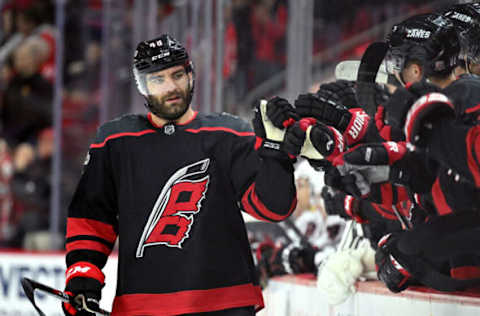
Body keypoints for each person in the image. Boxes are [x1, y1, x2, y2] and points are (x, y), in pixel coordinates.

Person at [62, 34, 297, 316]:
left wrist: (276, 155)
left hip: (224, 304)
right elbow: (91, 219)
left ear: (190, 75)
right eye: (158, 80)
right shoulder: (116, 141)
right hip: (143, 306)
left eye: (177, 75)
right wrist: (82, 279)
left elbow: (273, 208)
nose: (171, 87)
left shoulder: (228, 134)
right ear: (142, 86)